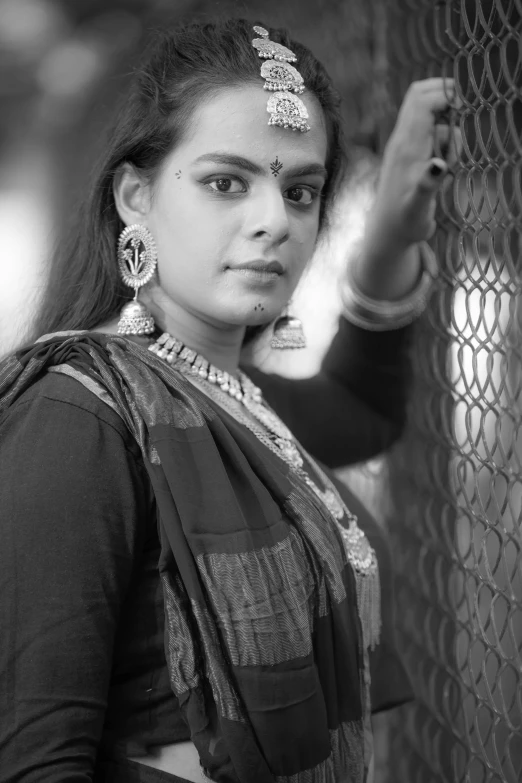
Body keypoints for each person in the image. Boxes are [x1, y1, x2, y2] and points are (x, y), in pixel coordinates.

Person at [0, 17, 461, 783]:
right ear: (136, 195)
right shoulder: (81, 416)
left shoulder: (233, 399)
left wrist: (390, 233)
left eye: (302, 190)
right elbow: (33, 760)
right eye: (226, 182)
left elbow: (358, 408)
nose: (274, 220)